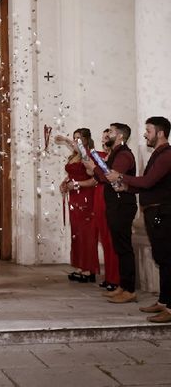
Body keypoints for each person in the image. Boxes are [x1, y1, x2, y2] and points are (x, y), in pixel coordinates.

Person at [107, 116, 171, 321]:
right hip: (154, 212)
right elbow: (146, 183)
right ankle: (163, 301)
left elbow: (149, 181)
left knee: (167, 260)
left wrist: (120, 177)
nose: (145, 134)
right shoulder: (158, 154)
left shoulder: (167, 155)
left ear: (160, 133)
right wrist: (127, 186)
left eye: (149, 130)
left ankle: (170, 308)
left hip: (163, 212)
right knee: (162, 259)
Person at [84, 123, 137, 303]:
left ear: (120, 136)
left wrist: (95, 167)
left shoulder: (123, 155)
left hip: (122, 205)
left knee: (123, 247)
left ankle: (129, 289)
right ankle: (122, 285)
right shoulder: (115, 153)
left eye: (112, 131)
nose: (108, 134)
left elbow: (110, 176)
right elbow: (104, 176)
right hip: (115, 204)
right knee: (119, 247)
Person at [56, 128, 99, 283]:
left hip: (86, 197)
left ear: (86, 140)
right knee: (77, 232)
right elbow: (72, 175)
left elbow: (95, 179)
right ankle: (81, 266)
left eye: (79, 139)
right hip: (74, 197)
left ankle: (89, 270)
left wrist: (76, 184)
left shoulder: (88, 156)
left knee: (86, 233)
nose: (75, 141)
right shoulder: (75, 156)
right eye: (74, 138)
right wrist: (65, 183)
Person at [83, 128, 120, 292]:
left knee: (112, 241)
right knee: (104, 240)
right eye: (103, 138)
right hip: (99, 196)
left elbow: (107, 175)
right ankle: (109, 276)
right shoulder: (100, 156)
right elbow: (91, 172)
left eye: (107, 137)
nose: (104, 141)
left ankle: (116, 278)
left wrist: (96, 168)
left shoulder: (115, 158)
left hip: (108, 198)